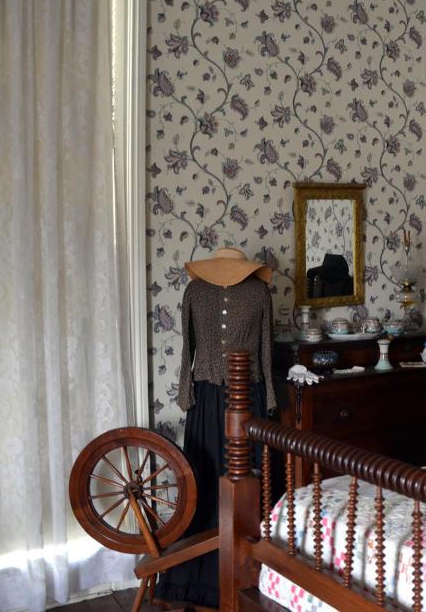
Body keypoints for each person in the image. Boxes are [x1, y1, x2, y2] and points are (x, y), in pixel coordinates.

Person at [155, 247, 275, 607]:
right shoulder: (195, 291)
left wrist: (269, 396)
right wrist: (186, 391)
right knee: (203, 481)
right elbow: (187, 347)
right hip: (206, 398)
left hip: (248, 398)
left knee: (249, 484)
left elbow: (266, 348)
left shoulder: (259, 293)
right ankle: (200, 578)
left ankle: (251, 575)